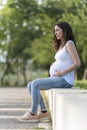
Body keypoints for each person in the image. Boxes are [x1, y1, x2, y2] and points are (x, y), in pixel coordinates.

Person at [18, 21, 81, 123]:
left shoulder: (69, 44)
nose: (55, 33)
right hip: (58, 78)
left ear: (64, 31)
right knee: (30, 85)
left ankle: (33, 113)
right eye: (54, 31)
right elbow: (64, 59)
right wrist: (54, 63)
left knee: (35, 84)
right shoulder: (61, 45)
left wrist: (62, 72)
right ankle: (43, 112)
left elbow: (77, 63)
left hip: (65, 80)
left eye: (57, 30)